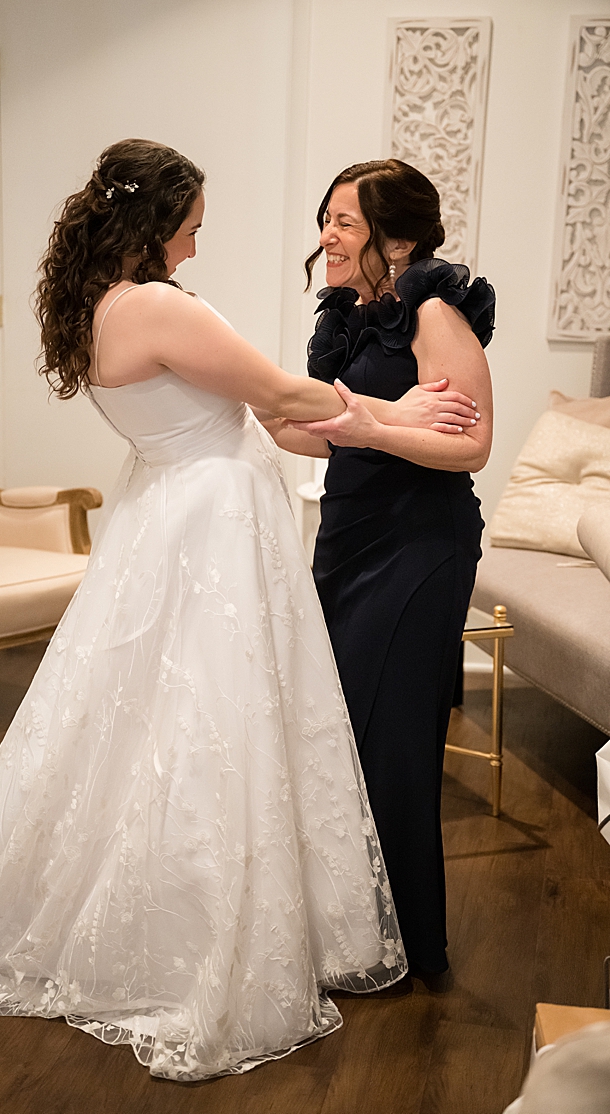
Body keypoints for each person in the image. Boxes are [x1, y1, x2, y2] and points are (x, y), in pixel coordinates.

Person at [0, 139, 474, 1081]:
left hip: (173, 512)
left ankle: (179, 885)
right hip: (206, 523)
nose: (196, 241)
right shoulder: (148, 305)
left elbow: (270, 407)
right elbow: (273, 393)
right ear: (153, 221)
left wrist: (384, 422)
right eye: (189, 224)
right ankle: (197, 922)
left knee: (168, 719)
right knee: (210, 721)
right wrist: (401, 419)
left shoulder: (102, 305)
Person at [268, 159, 494, 986]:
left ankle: (406, 944)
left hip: (419, 547)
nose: (327, 236)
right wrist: (246, 421)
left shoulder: (435, 312)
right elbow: (329, 434)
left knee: (389, 741)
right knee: (337, 734)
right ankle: (343, 927)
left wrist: (373, 429)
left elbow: (471, 443)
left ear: (396, 239)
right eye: (325, 219)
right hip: (350, 535)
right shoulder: (353, 317)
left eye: (346, 224)